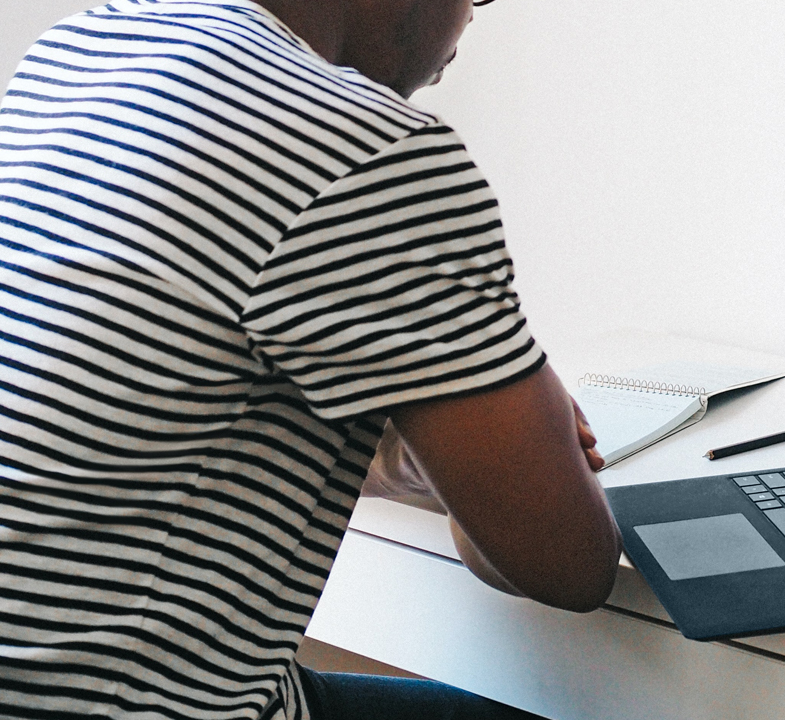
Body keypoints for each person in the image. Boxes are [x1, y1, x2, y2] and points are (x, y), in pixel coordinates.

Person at [0, 0, 620, 718]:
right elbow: (570, 565)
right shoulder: (368, 145)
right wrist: (511, 420)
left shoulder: (89, 46)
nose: (473, 20)